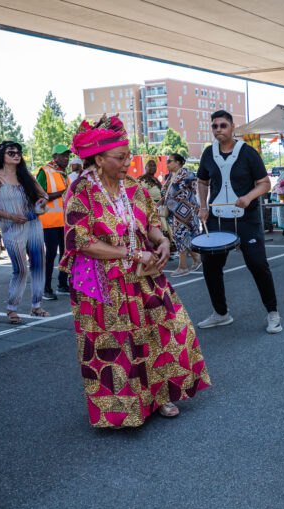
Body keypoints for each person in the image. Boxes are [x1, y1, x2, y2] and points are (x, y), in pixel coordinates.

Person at [62, 114, 210, 427]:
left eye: (128, 155)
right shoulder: (81, 192)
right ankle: (128, 409)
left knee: (164, 330)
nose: (127, 161)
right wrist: (130, 252)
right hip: (105, 284)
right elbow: (81, 241)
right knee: (117, 346)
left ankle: (162, 395)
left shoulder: (134, 187)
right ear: (99, 159)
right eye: (120, 157)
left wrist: (162, 242)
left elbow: (153, 221)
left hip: (143, 274)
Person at [196, 110, 281, 333]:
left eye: (223, 125)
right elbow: (202, 181)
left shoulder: (248, 153)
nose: (218, 130)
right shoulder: (207, 154)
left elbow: (264, 183)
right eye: (214, 126)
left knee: (258, 264)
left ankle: (273, 313)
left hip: (246, 219)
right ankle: (221, 313)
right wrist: (203, 206)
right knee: (210, 266)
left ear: (233, 127)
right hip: (217, 218)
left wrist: (248, 197)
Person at [0, 141, 49, 324]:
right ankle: (12, 309)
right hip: (12, 228)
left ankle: (36, 305)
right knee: (20, 269)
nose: (16, 155)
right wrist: (10, 216)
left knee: (38, 264)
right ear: (1, 156)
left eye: (18, 152)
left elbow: (43, 194)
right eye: (11, 152)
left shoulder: (26, 176)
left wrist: (42, 201)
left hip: (33, 224)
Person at [37, 143, 71, 300]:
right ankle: (46, 289)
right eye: (62, 155)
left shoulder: (64, 174)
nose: (66, 158)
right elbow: (39, 195)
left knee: (65, 254)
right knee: (50, 255)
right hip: (49, 221)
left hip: (64, 222)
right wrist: (63, 193)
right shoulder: (45, 172)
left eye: (67, 156)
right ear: (54, 157)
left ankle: (62, 284)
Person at [162, 153, 201, 276]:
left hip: (186, 212)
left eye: (170, 161)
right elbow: (165, 192)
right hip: (175, 213)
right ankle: (197, 259)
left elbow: (194, 189)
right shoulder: (168, 177)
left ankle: (182, 267)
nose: (167, 163)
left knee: (181, 236)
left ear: (178, 162)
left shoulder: (187, 174)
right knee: (181, 236)